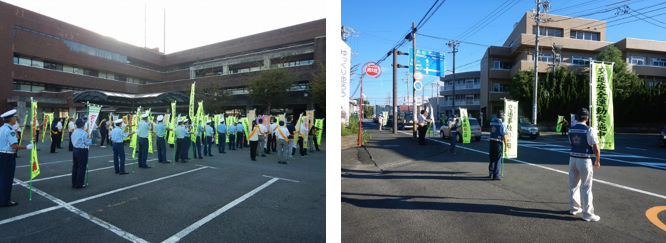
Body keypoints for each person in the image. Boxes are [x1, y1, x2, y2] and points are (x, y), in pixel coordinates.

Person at [568, 108, 601, 222]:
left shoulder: (571, 130)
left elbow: (571, 143)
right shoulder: (589, 130)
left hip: (573, 158)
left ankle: (574, 208)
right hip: (585, 159)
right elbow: (596, 147)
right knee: (586, 187)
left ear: (576, 117)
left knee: (573, 185)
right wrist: (597, 160)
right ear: (587, 119)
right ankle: (587, 214)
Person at [0, 110, 33, 207]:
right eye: (14, 117)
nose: (15, 119)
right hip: (7, 156)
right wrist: (27, 147)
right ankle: (5, 200)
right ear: (11, 119)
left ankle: (2, 198)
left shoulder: (1, 128)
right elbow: (14, 146)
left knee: (1, 177)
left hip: (1, 154)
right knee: (6, 179)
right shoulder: (10, 131)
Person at [71, 118, 91, 188]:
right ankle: (79, 184)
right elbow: (88, 143)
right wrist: (90, 138)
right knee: (81, 167)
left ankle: (74, 182)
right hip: (82, 150)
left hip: (75, 149)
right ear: (82, 125)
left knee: (75, 166)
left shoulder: (74, 132)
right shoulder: (84, 133)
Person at [488, 111, 508, 180]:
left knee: (492, 158)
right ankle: (495, 175)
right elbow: (504, 136)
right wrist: (506, 146)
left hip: (491, 141)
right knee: (498, 158)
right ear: (502, 116)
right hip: (498, 142)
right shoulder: (502, 124)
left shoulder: (491, 122)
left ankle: (490, 172)